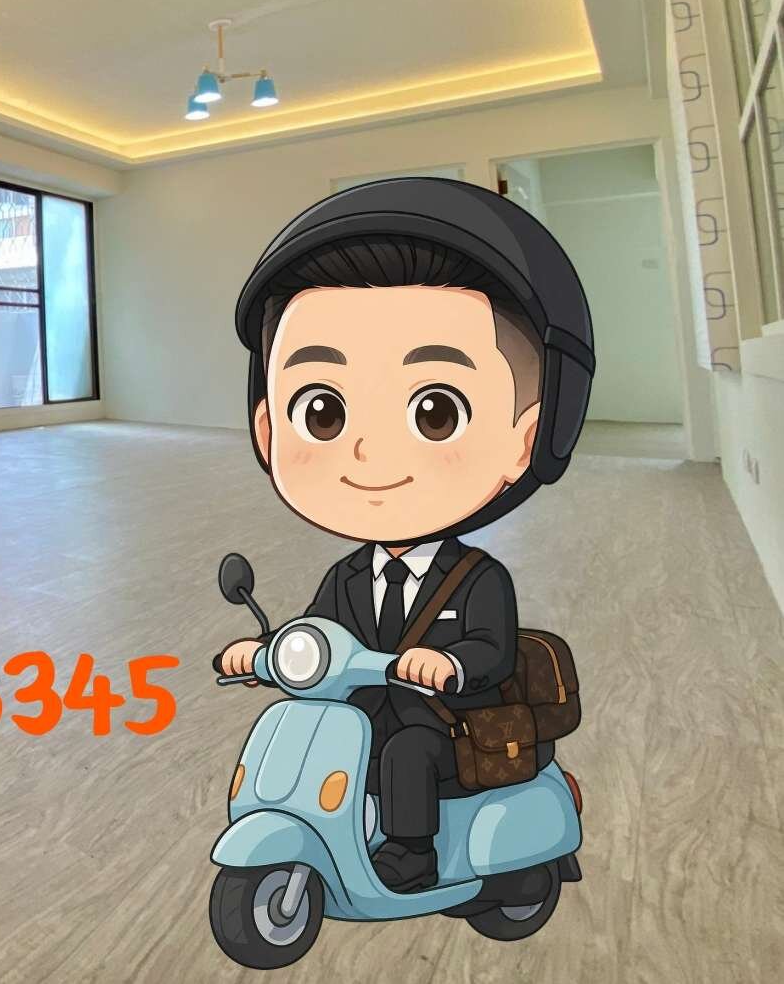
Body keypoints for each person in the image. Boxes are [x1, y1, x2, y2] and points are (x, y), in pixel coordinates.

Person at [216, 178, 594, 893]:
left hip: (447, 720)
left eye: (436, 413)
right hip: (363, 712)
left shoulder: (479, 578)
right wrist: (266, 652)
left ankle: (411, 854)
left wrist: (446, 664)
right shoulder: (348, 577)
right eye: (323, 412)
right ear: (267, 428)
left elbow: (490, 650)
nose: (368, 453)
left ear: (529, 437)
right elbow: (320, 633)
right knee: (338, 745)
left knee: (405, 753)